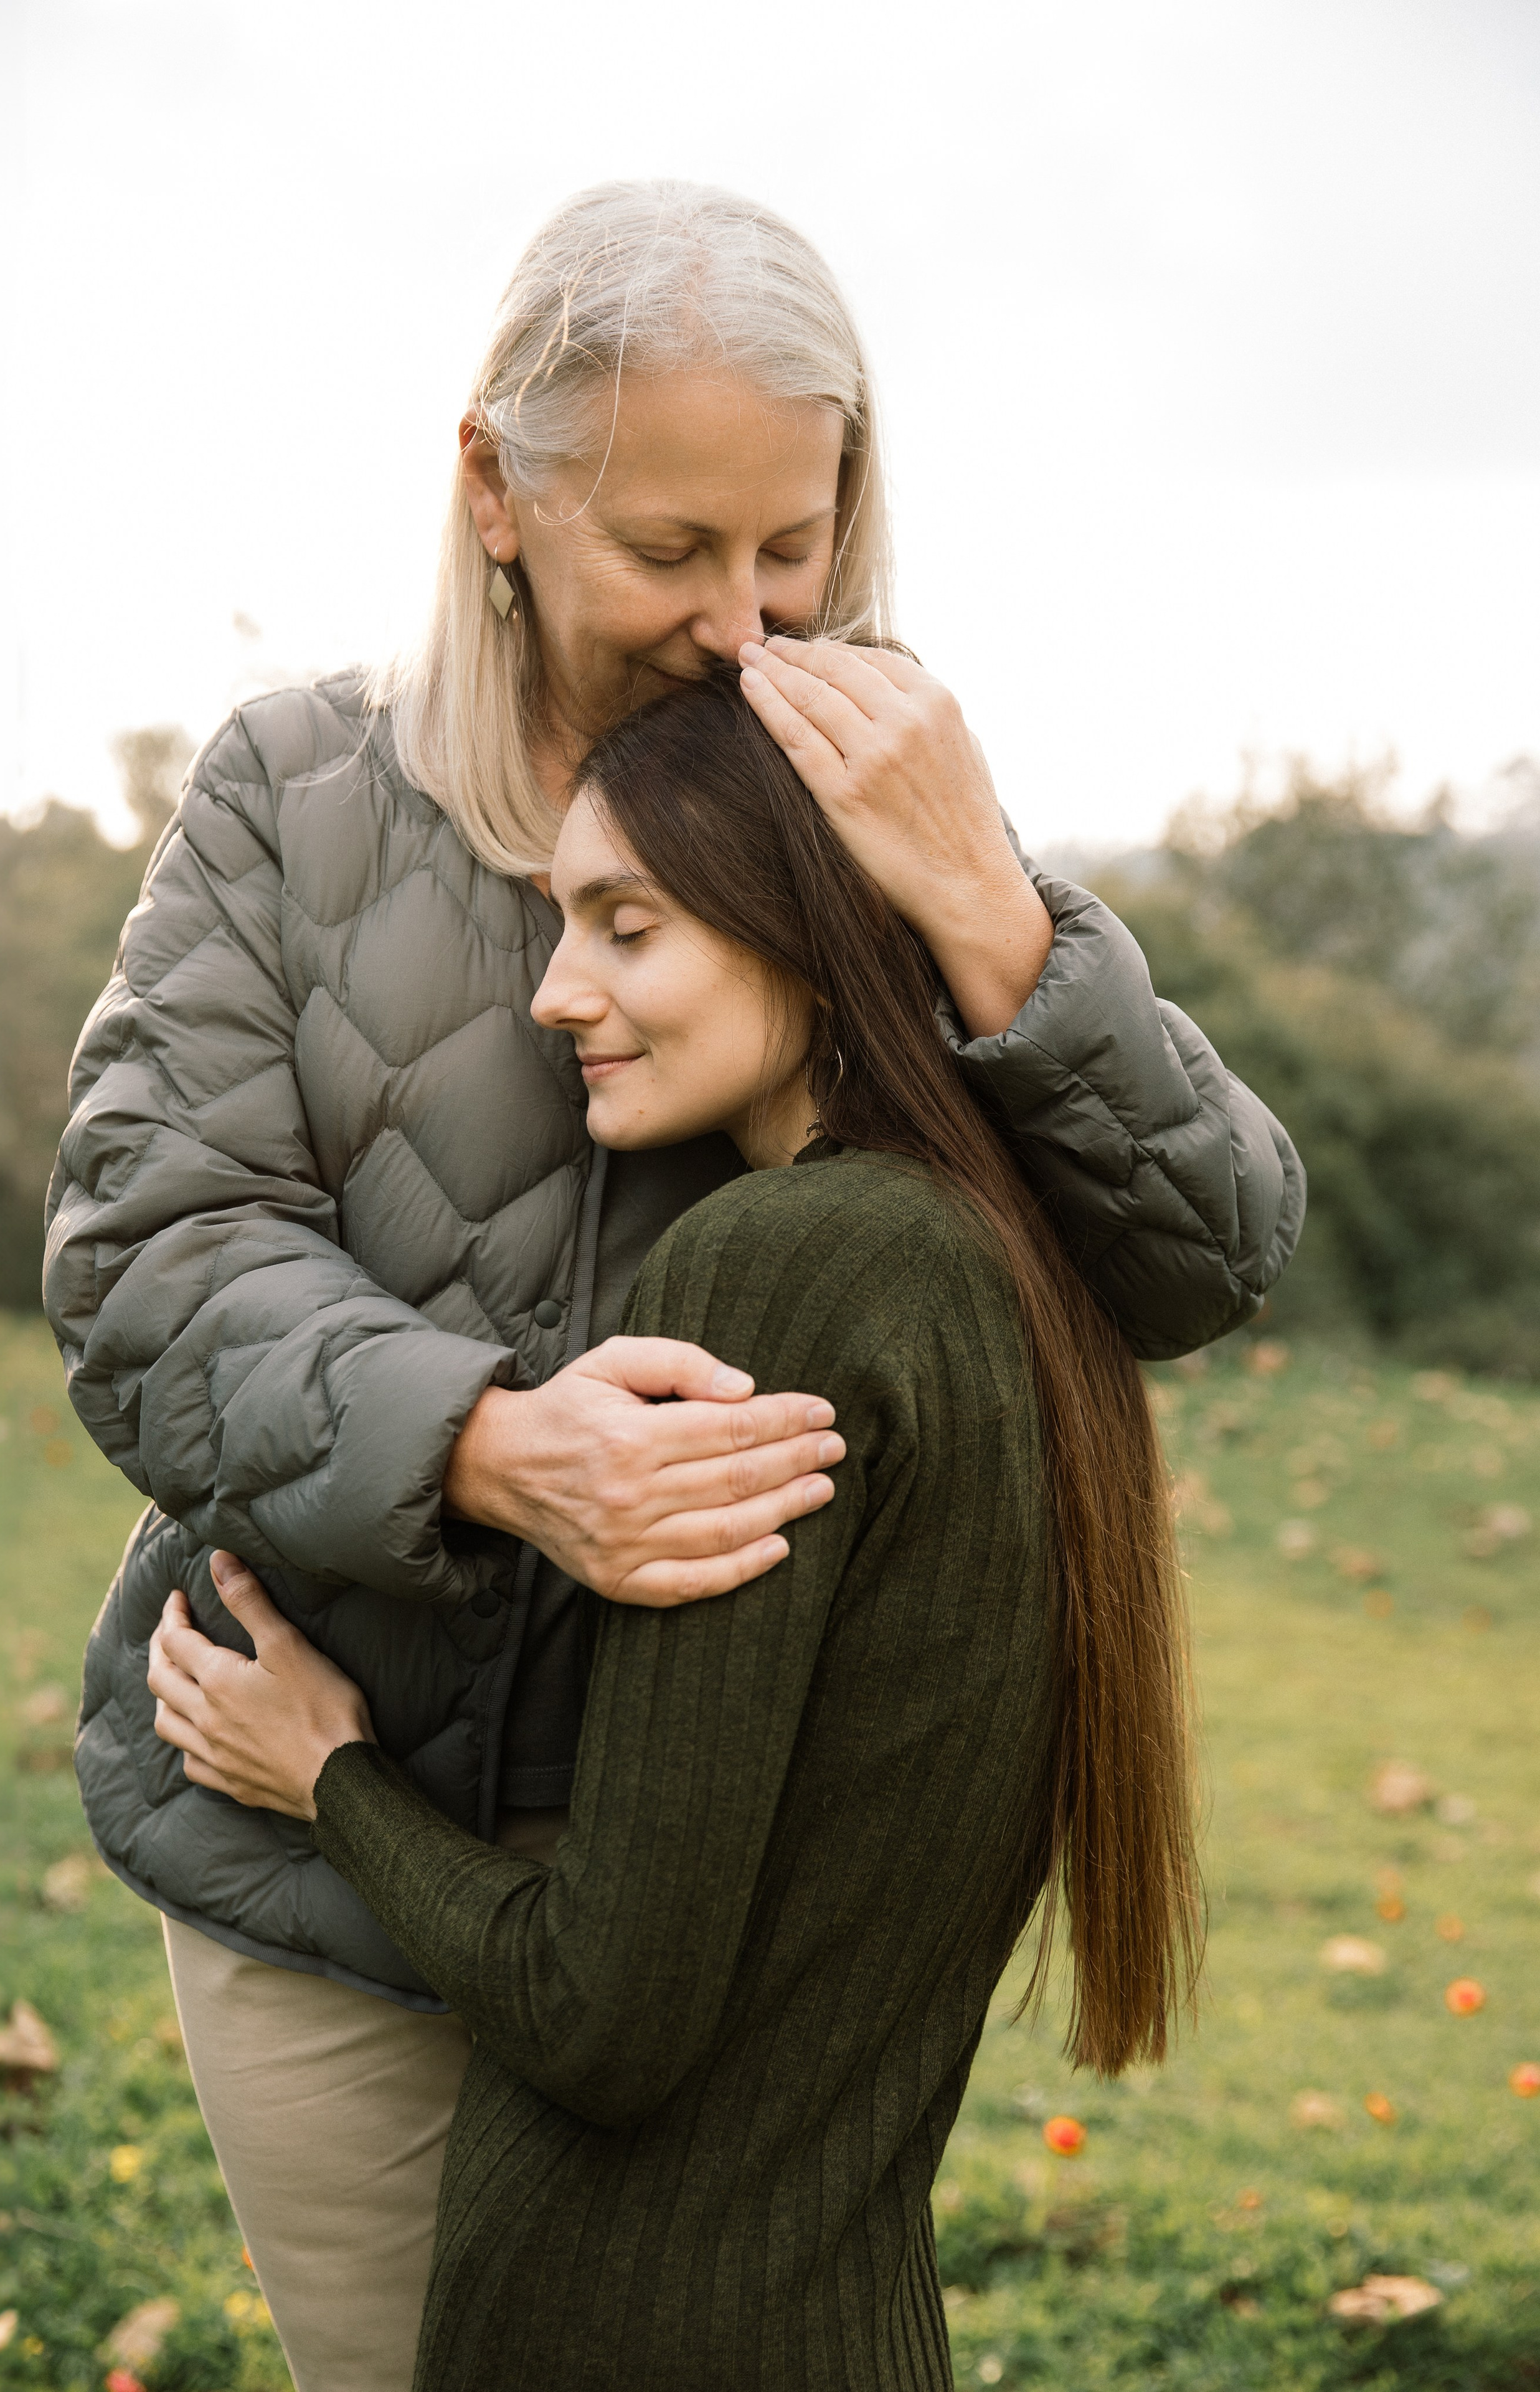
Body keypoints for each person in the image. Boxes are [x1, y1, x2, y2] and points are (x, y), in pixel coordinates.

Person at [47, 182, 1300, 2390]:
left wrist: (991, 911)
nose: (746, 621)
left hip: (720, 1908)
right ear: (495, 492)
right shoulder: (293, 795)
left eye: (792, 546)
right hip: (321, 1839)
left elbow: (1210, 1249)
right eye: (669, 551)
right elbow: (150, 1264)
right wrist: (488, 1448)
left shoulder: (861, 795)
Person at [148, 666, 1202, 2391]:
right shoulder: (1009, 1262)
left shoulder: (773, 1267)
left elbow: (602, 2013)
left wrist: (321, 1764)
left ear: (805, 920)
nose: (560, 992)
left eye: (626, 928)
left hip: (616, 2317)